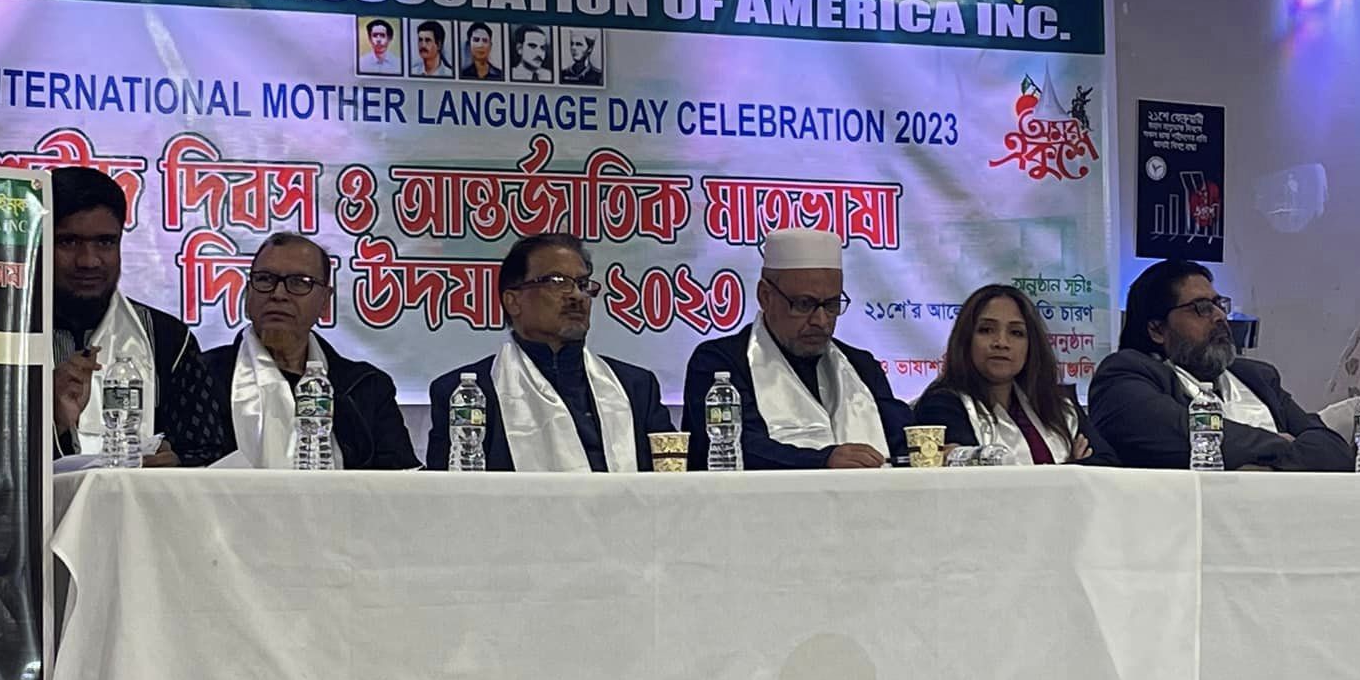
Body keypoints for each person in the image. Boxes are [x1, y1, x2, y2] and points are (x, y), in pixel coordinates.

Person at [426, 233, 671, 471]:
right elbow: (449, 493)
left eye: (582, 284)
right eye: (557, 282)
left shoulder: (636, 388)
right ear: (513, 301)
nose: (577, 295)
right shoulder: (468, 394)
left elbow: (672, 483)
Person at [682, 227, 913, 469]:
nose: (821, 321)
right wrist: (823, 461)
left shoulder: (860, 366)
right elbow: (738, 448)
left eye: (832, 305)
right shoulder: (719, 363)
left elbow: (903, 441)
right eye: (804, 304)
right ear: (765, 296)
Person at [1090, 260, 1350, 470]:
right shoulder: (1123, 378)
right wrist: (1282, 446)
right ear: (1157, 329)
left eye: (1218, 304)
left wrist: (1267, 466)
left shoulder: (1258, 377)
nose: (1219, 316)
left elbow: (1334, 451)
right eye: (1201, 308)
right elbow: (1190, 437)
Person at [51, 166, 227, 467]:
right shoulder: (4, 334)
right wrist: (47, 417)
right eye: (68, 242)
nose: (88, 261)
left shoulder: (168, 338)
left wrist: (175, 463)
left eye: (105, 242)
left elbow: (208, 452)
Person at [203, 232, 419, 469]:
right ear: (247, 294)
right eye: (265, 279)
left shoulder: (365, 387)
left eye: (299, 282)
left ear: (325, 301)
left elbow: (402, 478)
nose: (278, 294)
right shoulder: (204, 377)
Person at [912, 283, 1117, 464]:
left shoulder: (1058, 405)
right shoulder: (941, 405)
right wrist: (1070, 469)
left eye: (1016, 333)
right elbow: (974, 479)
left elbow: (1107, 465)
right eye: (986, 330)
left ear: (1031, 345)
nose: (1001, 343)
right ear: (966, 340)